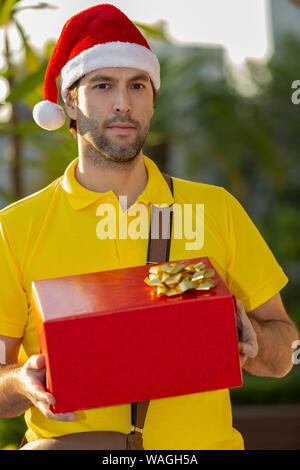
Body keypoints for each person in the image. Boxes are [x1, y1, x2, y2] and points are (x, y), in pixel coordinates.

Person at [0, 4, 298, 451]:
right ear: (69, 103)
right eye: (103, 85)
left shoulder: (215, 209)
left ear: (152, 100)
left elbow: (285, 352)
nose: (123, 102)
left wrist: (256, 346)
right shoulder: (17, 228)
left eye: (137, 86)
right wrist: (23, 383)